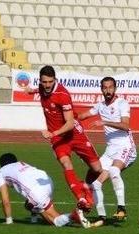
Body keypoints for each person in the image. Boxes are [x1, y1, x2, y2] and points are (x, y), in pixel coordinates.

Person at [27, 65, 103, 212]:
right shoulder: (42, 88)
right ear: (40, 81)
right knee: (66, 163)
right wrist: (32, 90)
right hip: (58, 139)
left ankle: (85, 187)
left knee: (97, 168)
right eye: (44, 82)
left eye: (50, 82)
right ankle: (81, 198)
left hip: (74, 134)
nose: (47, 85)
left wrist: (52, 134)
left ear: (55, 80)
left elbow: (69, 123)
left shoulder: (63, 95)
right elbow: (39, 89)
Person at [77, 76, 137, 222]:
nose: (108, 90)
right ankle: (101, 216)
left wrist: (104, 121)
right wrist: (67, 117)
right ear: (101, 89)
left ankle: (121, 209)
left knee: (114, 171)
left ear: (115, 88)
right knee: (96, 183)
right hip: (110, 151)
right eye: (105, 88)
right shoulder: (100, 105)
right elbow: (82, 116)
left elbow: (125, 125)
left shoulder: (122, 103)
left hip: (125, 146)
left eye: (110, 87)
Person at [0, 153, 101, 228]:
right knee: (32, 203)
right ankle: (35, 218)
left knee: (54, 221)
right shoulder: (21, 163)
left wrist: (9, 220)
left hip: (36, 192)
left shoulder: (1, 172)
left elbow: (5, 200)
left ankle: (74, 215)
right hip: (47, 181)